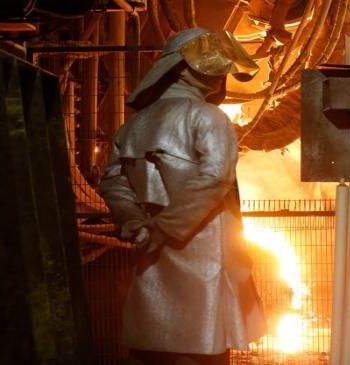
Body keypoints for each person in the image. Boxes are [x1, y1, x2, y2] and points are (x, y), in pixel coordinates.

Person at [99, 28, 267, 365]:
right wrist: (168, 228)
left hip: (150, 251)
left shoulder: (132, 126)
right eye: (217, 67)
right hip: (204, 254)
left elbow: (114, 181)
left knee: (152, 346)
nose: (222, 76)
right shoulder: (208, 117)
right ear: (182, 67)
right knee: (201, 345)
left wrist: (134, 221)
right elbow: (215, 176)